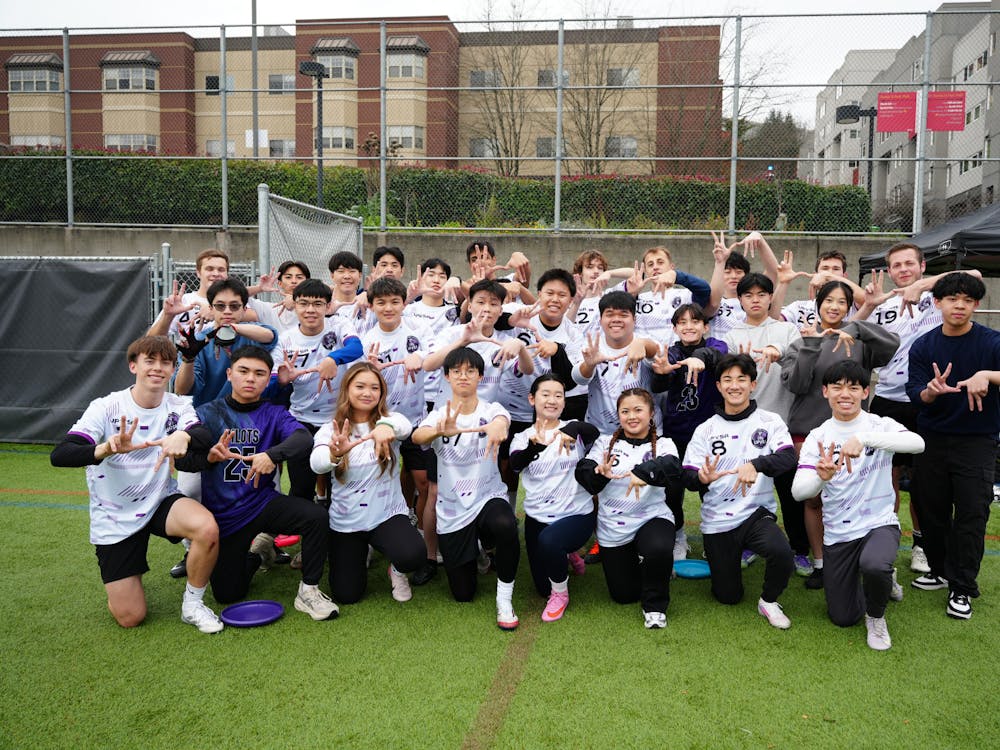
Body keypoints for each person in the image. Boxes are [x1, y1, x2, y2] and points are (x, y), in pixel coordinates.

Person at [50, 335, 223, 633]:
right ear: (133, 366)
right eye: (150, 361)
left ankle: (192, 605)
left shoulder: (178, 405)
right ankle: (122, 584)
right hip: (114, 516)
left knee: (207, 528)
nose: (158, 368)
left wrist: (184, 436)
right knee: (131, 617)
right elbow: (61, 455)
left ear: (172, 370)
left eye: (165, 363)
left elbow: (202, 435)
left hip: (158, 500)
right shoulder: (106, 407)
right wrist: (105, 449)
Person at [174, 346, 338, 621]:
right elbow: (182, 461)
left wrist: (271, 455)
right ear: (230, 374)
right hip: (225, 517)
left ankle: (308, 591)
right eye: (243, 371)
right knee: (227, 594)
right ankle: (258, 554)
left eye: (259, 373)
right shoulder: (205, 413)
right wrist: (209, 459)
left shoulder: (274, 413)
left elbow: (302, 440)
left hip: (263, 503)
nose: (251, 378)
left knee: (315, 516)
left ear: (267, 378)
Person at [854, 241, 983, 575]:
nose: (903, 270)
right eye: (896, 266)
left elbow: (974, 274)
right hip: (888, 399)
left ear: (922, 266)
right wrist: (869, 304)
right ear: (888, 271)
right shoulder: (883, 303)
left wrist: (919, 287)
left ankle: (923, 546)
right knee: (887, 477)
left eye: (909, 264)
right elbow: (850, 329)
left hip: (929, 399)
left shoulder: (937, 297)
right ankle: (888, 542)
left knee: (925, 482)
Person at [793, 360, 923, 650]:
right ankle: (881, 583)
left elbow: (917, 444)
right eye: (837, 387)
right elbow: (800, 492)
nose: (845, 394)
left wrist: (863, 438)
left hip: (879, 522)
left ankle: (876, 616)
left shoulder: (880, 424)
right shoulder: (818, 437)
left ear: (865, 392)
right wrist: (820, 477)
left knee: (874, 565)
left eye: (853, 387)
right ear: (825, 392)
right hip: (840, 532)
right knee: (842, 617)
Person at [781, 279, 900, 589]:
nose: (834, 307)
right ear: (817, 304)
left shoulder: (857, 339)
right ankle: (822, 562)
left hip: (855, 435)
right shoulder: (799, 342)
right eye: (828, 300)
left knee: (855, 497)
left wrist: (858, 329)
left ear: (850, 307)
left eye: (841, 302)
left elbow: (891, 346)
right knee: (814, 500)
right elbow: (795, 384)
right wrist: (811, 344)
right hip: (808, 433)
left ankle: (861, 558)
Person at [906, 272, 1000, 621]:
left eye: (967, 300)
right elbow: (915, 393)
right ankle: (941, 570)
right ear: (938, 303)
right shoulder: (924, 345)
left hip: (977, 441)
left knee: (972, 513)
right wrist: (930, 392)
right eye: (951, 299)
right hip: (931, 438)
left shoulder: (991, 342)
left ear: (976, 305)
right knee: (930, 507)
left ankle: (962, 587)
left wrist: (986, 376)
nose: (959, 305)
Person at [682, 354, 797, 629]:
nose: (735, 386)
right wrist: (701, 477)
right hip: (718, 520)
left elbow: (788, 458)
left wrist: (756, 464)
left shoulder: (770, 421)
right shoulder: (705, 429)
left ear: (753, 384)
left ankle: (769, 600)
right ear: (719, 387)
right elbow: (687, 476)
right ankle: (730, 561)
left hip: (755, 513)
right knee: (728, 596)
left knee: (781, 552)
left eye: (741, 380)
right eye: (728, 380)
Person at [412, 347, 521, 629]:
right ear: (447, 377)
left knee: (505, 522)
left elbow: (501, 423)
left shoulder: (491, 409)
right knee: (463, 594)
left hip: (487, 497)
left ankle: (504, 598)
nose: (463, 376)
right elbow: (418, 436)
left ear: (480, 377)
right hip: (452, 509)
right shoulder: (439, 414)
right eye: (457, 371)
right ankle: (477, 551)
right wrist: (439, 431)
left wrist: (498, 427)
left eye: (470, 371)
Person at [310, 362, 427, 604]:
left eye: (375, 388)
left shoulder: (390, 419)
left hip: (386, 515)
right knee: (347, 595)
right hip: (347, 521)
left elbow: (405, 426)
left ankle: (395, 570)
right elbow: (317, 463)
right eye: (360, 386)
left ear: (382, 393)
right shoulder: (330, 429)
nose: (367, 393)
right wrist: (335, 454)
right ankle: (361, 552)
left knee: (413, 555)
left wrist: (385, 426)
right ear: (347, 390)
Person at [574, 388, 681, 629]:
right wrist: (598, 473)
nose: (631, 416)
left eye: (638, 410)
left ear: (651, 413)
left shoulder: (664, 443)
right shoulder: (604, 443)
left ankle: (655, 607)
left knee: (659, 547)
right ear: (618, 415)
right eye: (625, 411)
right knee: (624, 595)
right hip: (614, 526)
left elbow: (673, 467)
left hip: (651, 517)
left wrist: (642, 472)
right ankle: (651, 567)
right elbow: (585, 474)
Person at [509, 375, 600, 621]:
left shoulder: (574, 428)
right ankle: (568, 555)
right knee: (541, 588)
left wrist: (572, 428)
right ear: (532, 399)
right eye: (545, 394)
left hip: (577, 514)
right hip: (539, 516)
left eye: (558, 395)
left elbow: (595, 433)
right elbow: (516, 464)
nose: (552, 400)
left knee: (550, 542)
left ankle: (561, 594)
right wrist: (533, 447)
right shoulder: (522, 437)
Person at [650, 302, 727, 560]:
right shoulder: (670, 352)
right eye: (682, 322)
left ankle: (714, 539)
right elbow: (660, 382)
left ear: (705, 326)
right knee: (672, 491)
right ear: (674, 328)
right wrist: (661, 372)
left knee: (712, 491)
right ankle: (678, 537)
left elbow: (716, 356)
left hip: (709, 435)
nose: (689, 326)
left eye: (695, 321)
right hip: (676, 433)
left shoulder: (716, 345)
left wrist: (699, 357)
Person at [274, 278, 362, 503]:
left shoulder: (340, 326)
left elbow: (356, 347)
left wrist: (332, 358)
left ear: (327, 306)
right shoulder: (284, 340)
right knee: (301, 485)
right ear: (294, 305)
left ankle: (338, 532)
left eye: (318, 304)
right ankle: (301, 530)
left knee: (340, 485)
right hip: (300, 420)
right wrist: (281, 381)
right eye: (303, 303)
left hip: (338, 419)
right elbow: (274, 379)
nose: (310, 310)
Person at [173, 278, 278, 407]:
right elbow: (181, 389)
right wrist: (188, 359)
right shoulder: (198, 341)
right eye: (220, 306)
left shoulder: (252, 332)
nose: (227, 311)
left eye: (234, 306)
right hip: (210, 415)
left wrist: (231, 327)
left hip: (251, 415)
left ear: (244, 309)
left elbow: (270, 336)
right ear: (211, 308)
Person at [707, 231, 780, 340]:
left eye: (739, 272)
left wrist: (760, 240)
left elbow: (773, 271)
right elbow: (712, 303)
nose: (733, 276)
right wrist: (720, 262)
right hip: (722, 354)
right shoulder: (714, 303)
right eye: (727, 272)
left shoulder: (755, 301)